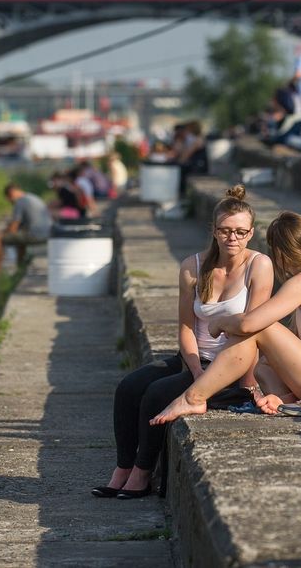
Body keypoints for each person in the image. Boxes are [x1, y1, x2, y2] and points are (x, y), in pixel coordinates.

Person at [95, 185, 273, 499]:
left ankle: (141, 476)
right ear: (214, 231)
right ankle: (121, 470)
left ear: (251, 233)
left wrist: (219, 379)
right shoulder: (193, 266)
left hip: (231, 369)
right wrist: (195, 371)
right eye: (225, 231)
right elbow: (187, 329)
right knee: (128, 388)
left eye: (240, 232)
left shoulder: (259, 266)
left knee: (155, 394)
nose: (232, 238)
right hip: (193, 360)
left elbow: (254, 331)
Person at [150, 210, 301, 424]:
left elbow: (250, 324)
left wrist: (220, 322)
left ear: (279, 253)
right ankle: (287, 401)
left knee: (260, 328)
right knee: (264, 368)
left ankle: (194, 398)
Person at [0, 183, 50, 283]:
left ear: (11, 193)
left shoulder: (20, 202)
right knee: (19, 238)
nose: (10, 201)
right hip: (46, 233)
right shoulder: (33, 197)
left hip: (36, 235)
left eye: (9, 198)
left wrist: (0, 232)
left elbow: (13, 228)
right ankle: (20, 270)